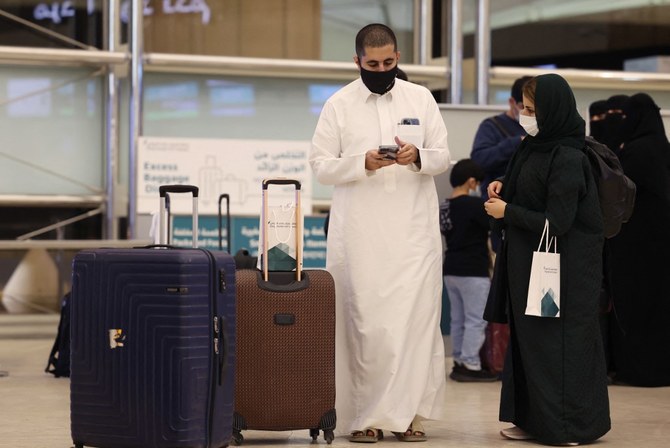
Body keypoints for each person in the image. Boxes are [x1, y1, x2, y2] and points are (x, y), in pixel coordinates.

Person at [310, 23, 450, 443]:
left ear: (398, 58)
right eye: (373, 64)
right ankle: (364, 417)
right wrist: (363, 163)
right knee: (365, 325)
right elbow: (320, 165)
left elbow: (442, 156)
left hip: (414, 237)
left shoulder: (420, 98)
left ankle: (409, 417)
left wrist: (416, 155)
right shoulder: (338, 104)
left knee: (414, 325)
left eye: (389, 62)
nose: (382, 69)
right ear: (357, 62)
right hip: (360, 237)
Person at [484, 74, 611, 445]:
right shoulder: (532, 146)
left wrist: (507, 211)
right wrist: (503, 185)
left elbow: (558, 221)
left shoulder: (570, 156)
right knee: (531, 346)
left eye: (530, 110)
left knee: (561, 347)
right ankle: (533, 419)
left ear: (551, 111)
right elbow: (532, 188)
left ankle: (568, 426)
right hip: (531, 267)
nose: (524, 115)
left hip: (564, 272)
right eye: (523, 108)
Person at [607, 92, 670, 387]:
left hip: (636, 246)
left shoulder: (635, 151)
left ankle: (639, 370)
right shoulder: (663, 148)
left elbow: (621, 194)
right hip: (661, 244)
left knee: (637, 307)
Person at [440, 159, 498, 382]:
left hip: (451, 269)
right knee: (476, 319)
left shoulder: (444, 206)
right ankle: (471, 363)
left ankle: (458, 359)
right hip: (474, 269)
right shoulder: (475, 206)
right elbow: (492, 227)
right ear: (472, 181)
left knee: (458, 318)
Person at [471, 75, 532, 199]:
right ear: (511, 102)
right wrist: (516, 143)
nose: (527, 113)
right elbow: (478, 160)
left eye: (532, 108)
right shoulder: (492, 126)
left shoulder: (541, 126)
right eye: (523, 106)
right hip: (498, 199)